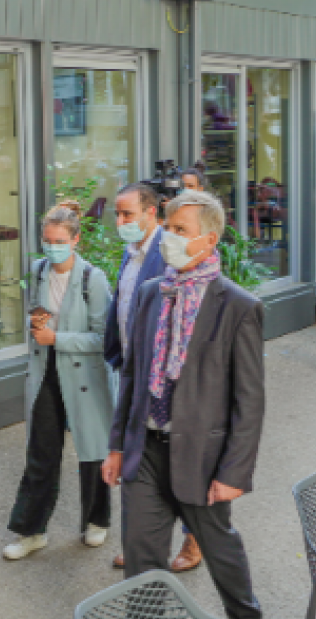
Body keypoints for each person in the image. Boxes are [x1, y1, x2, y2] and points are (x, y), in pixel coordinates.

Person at [104, 190, 265, 619]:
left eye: (181, 231)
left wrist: (234, 473)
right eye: (169, 229)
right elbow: (133, 375)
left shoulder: (238, 306)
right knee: (141, 556)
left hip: (203, 457)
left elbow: (249, 402)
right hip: (146, 449)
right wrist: (118, 445)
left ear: (209, 240)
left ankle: (246, 614)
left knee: (220, 550)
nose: (168, 239)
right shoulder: (152, 293)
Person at [101, 184, 207, 573]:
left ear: (152, 214)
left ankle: (194, 541)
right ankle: (141, 541)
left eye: (128, 214)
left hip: (166, 379)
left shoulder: (169, 253)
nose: (121, 222)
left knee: (179, 465)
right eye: (118, 214)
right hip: (133, 371)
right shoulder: (131, 255)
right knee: (136, 462)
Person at [5, 204, 116, 560]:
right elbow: (41, 320)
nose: (53, 247)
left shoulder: (92, 279)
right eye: (47, 240)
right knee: (41, 452)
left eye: (60, 240)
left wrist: (58, 339)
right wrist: (37, 327)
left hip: (85, 375)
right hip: (45, 373)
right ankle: (31, 530)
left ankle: (97, 521)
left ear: (76, 239)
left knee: (93, 451)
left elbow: (104, 339)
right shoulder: (38, 271)